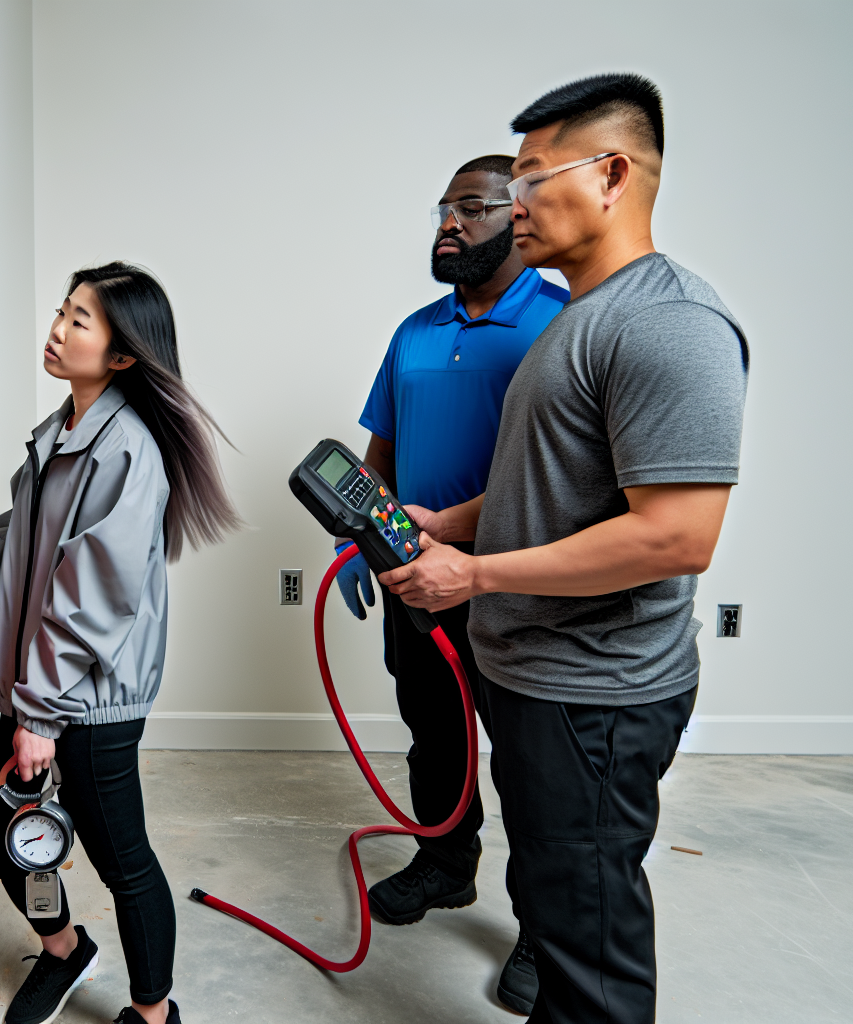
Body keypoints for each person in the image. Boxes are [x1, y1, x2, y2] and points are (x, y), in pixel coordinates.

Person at [380, 73, 749, 1023]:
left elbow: (677, 535)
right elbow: (547, 491)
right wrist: (446, 525)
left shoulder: (668, 322)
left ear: (615, 174)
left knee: (587, 955)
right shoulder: (583, 318)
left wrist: (476, 572)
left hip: (598, 689)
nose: (517, 202)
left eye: (534, 178)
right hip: (543, 674)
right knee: (555, 893)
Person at [0, 263, 240, 1024]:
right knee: (0, 842)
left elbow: (93, 595)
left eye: (79, 320)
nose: (57, 330)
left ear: (123, 354)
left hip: (83, 703)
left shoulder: (128, 450)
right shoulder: (62, 430)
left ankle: (154, 1014)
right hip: (36, 689)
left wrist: (43, 716)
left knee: (124, 861)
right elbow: (22, 545)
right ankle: (65, 950)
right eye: (62, 311)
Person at [341, 154, 567, 1015]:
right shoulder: (415, 331)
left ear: (519, 216)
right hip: (413, 584)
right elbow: (382, 455)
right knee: (434, 734)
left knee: (534, 765)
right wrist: (364, 537)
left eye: (470, 208)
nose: (448, 223)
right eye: (443, 208)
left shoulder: (560, 325)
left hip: (515, 590)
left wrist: (446, 533)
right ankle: (446, 865)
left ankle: (547, 932)